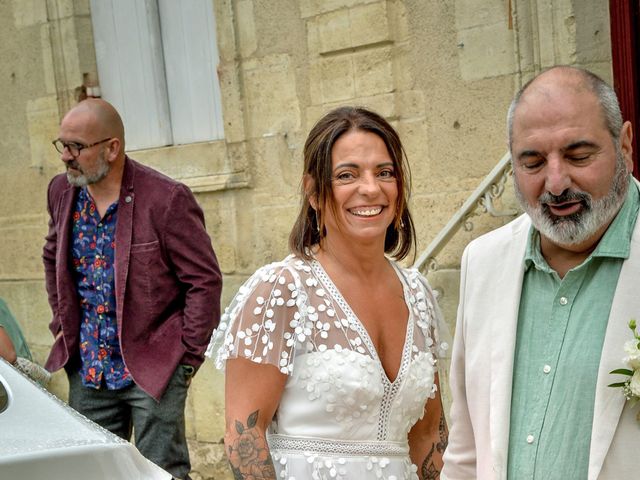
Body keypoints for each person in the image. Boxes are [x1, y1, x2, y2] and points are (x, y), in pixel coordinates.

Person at [207, 106, 449, 480]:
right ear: (315, 193)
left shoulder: (418, 294)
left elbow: (428, 435)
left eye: (384, 172)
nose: (370, 188)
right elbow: (244, 437)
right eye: (346, 175)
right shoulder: (281, 290)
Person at [442, 66, 640, 480]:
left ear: (624, 145)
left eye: (578, 156)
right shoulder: (483, 262)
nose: (555, 182)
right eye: (532, 162)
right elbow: (465, 450)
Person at [42, 98, 222, 480]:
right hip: (88, 368)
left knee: (162, 473)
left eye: (77, 147)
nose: (66, 157)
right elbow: (51, 255)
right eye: (63, 145)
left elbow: (203, 281)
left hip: (153, 368)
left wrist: (186, 360)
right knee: (92, 472)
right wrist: (62, 323)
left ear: (112, 147)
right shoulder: (61, 192)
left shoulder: (166, 199)